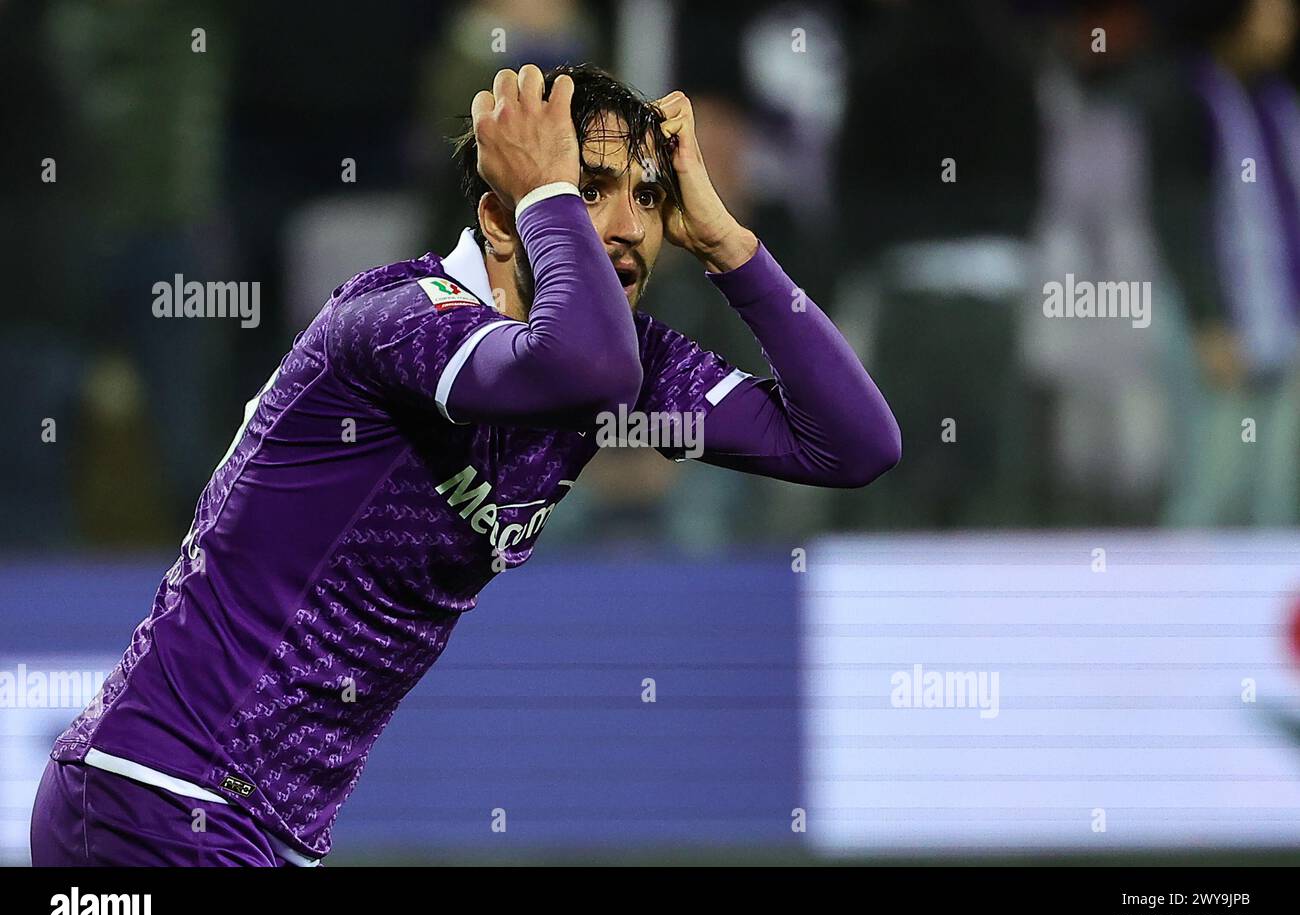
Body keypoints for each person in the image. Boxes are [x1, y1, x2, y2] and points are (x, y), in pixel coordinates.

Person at [29, 63, 900, 866]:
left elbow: (855, 444)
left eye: (650, 195)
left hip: (244, 821)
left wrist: (725, 245)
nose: (632, 227)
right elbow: (582, 366)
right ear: (500, 217)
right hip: (165, 795)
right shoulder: (402, 321)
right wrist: (548, 196)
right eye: (591, 190)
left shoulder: (620, 363)